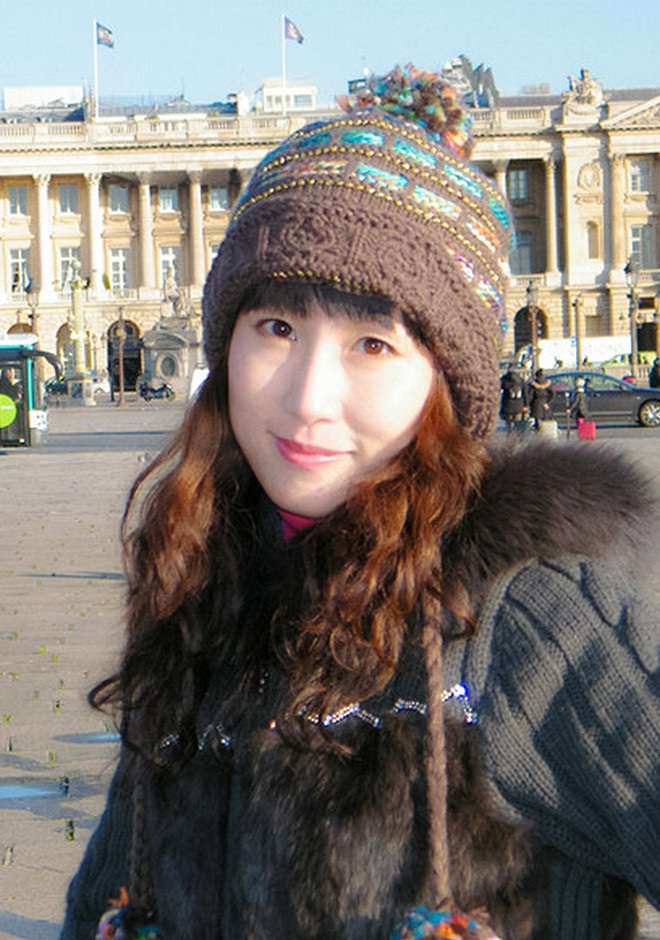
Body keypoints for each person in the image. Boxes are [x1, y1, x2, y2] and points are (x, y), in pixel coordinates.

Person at [61, 66, 660, 940]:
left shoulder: (531, 622)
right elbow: (103, 903)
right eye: (277, 328)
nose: (308, 398)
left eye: (373, 344)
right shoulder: (201, 594)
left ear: (444, 381)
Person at [499, 366, 528, 432]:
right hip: (519, 404)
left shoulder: (504, 379)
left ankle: (510, 431)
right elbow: (525, 393)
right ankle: (517, 434)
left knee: (508, 421)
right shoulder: (521, 380)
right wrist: (526, 404)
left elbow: (499, 388)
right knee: (517, 421)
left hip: (507, 404)